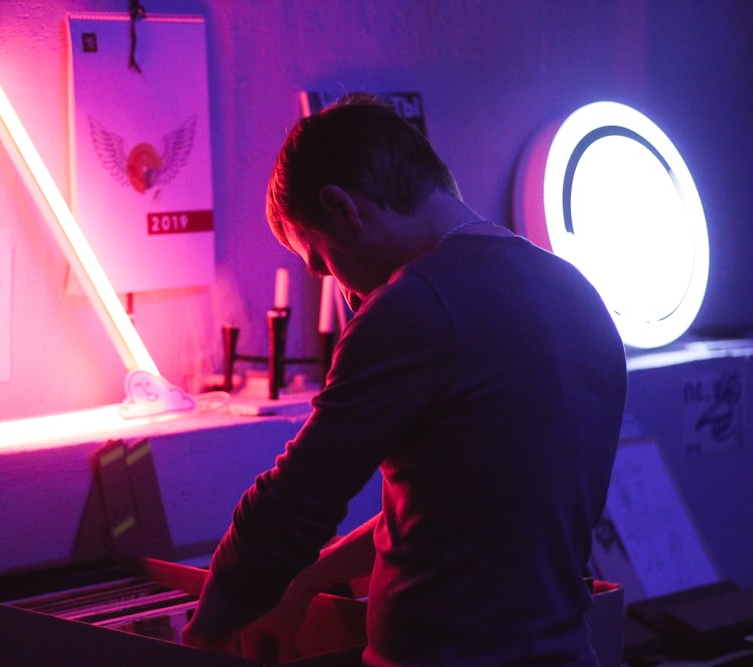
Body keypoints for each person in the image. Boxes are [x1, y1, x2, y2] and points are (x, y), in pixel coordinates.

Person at [182, 94, 627, 666]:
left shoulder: (415, 304)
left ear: (341, 209)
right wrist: (306, 579)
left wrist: (200, 639)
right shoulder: (578, 296)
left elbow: (292, 504)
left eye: (319, 260)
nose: (340, 289)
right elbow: (465, 515)